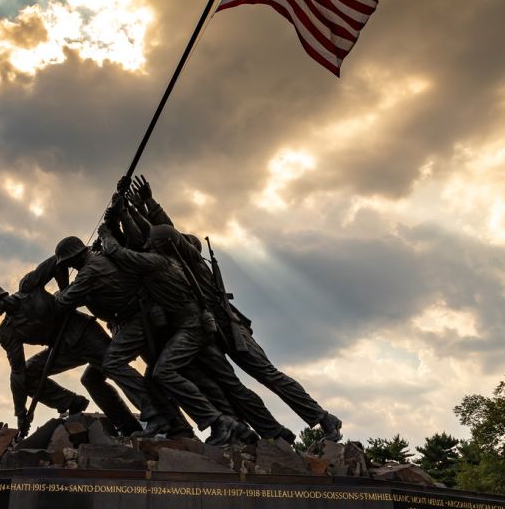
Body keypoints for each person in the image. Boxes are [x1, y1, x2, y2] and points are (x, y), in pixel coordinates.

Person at [126, 175, 343, 442]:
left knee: (268, 375)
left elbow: (165, 231)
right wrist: (134, 208)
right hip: (212, 330)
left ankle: (323, 418)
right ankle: (271, 433)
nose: (155, 247)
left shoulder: (191, 260)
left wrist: (149, 204)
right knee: (232, 387)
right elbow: (155, 237)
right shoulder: (175, 264)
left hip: (229, 326)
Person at [98, 221, 289, 445]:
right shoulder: (171, 261)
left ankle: (235, 425)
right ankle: (237, 428)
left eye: (152, 240)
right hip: (190, 329)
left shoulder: (159, 263)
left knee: (178, 376)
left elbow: (119, 252)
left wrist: (106, 233)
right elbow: (136, 243)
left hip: (192, 329)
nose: (147, 242)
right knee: (208, 385)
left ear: (159, 244)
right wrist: (123, 215)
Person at [0, 254, 140, 438]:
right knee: (30, 373)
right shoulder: (7, 332)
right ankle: (72, 403)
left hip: (84, 333)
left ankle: (159, 416)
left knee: (114, 368)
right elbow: (18, 372)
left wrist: (65, 293)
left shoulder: (29, 286)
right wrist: (20, 412)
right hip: (62, 349)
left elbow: (58, 261)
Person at [51, 235, 192, 438]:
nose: (69, 266)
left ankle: (156, 417)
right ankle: (134, 425)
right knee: (92, 377)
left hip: (138, 319)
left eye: (68, 262)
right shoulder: (91, 266)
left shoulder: (91, 270)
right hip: (126, 323)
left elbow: (63, 302)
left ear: (75, 257)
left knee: (113, 363)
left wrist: (60, 287)